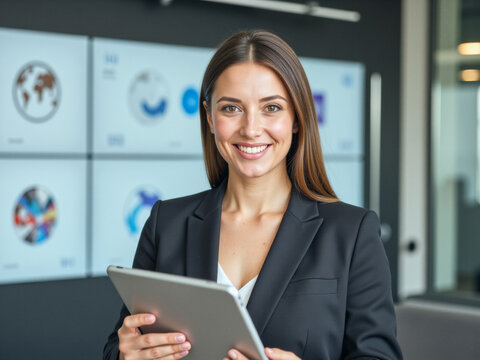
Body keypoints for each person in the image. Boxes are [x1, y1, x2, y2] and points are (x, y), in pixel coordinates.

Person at [104, 30, 403, 360]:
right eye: (231, 108)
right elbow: (122, 342)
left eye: (271, 107)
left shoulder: (351, 232)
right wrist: (124, 355)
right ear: (209, 117)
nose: (250, 128)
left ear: (297, 119)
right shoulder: (167, 223)